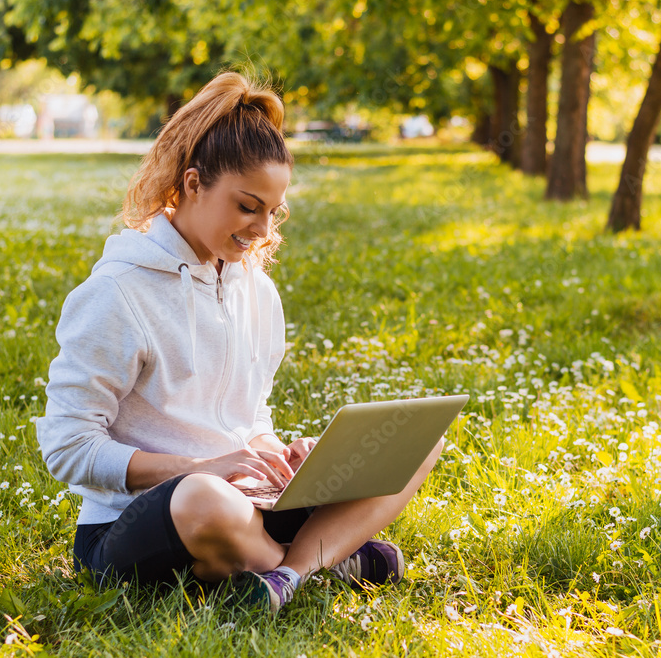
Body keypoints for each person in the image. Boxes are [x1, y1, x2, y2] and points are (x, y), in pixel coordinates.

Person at [36, 71, 443, 613]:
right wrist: (201, 468)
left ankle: (284, 574)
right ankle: (329, 555)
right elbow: (67, 447)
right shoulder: (116, 293)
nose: (262, 230)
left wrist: (281, 458)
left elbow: (249, 417)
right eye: (248, 206)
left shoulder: (257, 289)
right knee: (206, 500)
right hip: (144, 520)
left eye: (273, 212)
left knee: (413, 439)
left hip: (249, 502)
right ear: (193, 182)